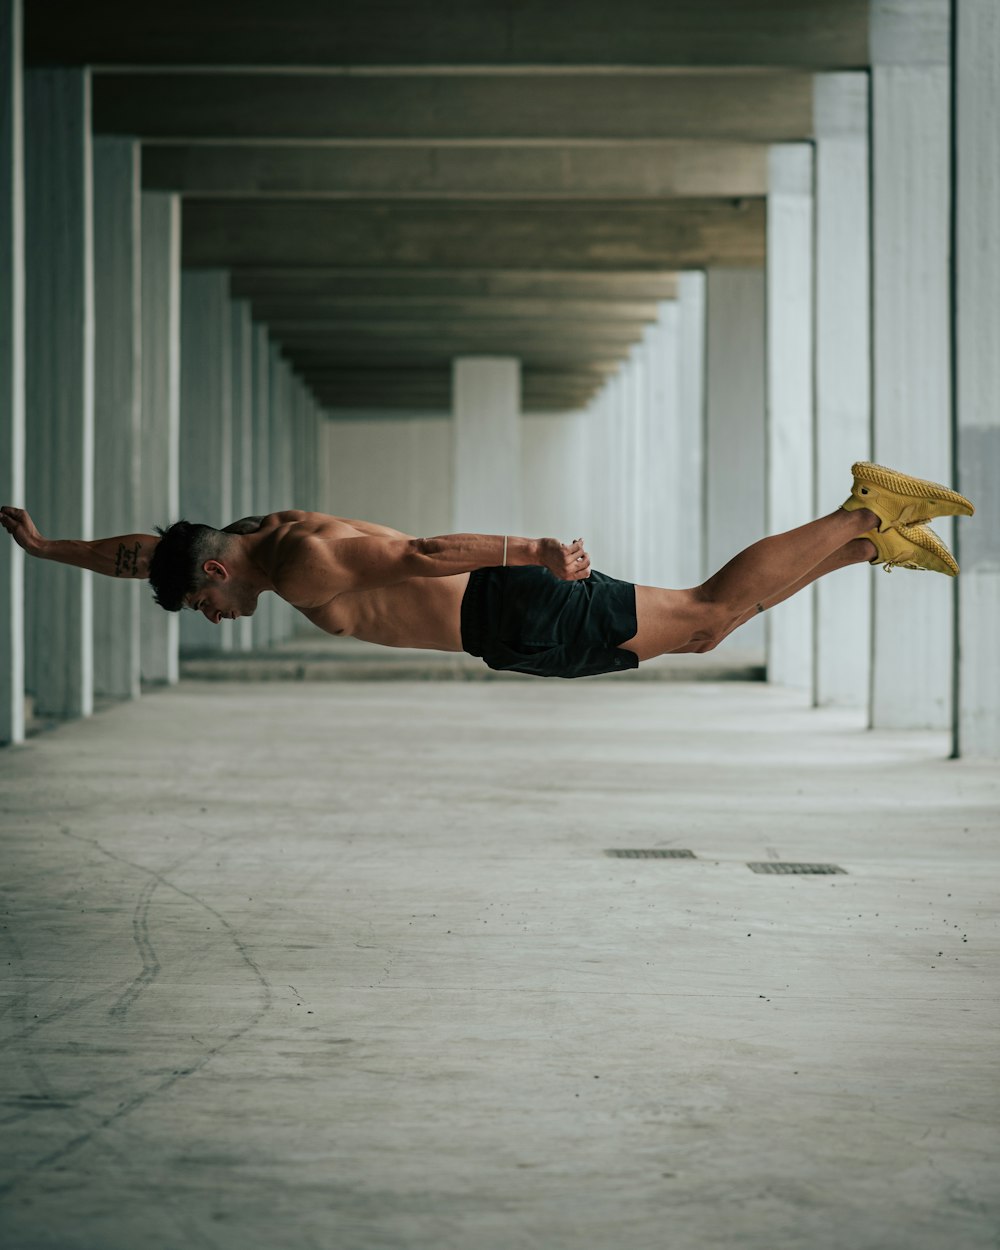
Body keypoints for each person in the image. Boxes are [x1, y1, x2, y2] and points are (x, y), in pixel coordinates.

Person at [0, 462, 974, 680]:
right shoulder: (254, 535)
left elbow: (420, 553)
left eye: (199, 600)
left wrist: (533, 550)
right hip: (507, 622)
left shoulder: (297, 564)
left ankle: (863, 512)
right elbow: (149, 554)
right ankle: (863, 544)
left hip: (511, 605)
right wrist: (52, 550)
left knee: (709, 615)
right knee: (707, 621)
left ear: (220, 567)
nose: (209, 614)